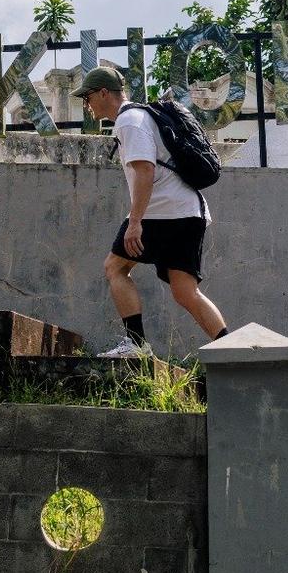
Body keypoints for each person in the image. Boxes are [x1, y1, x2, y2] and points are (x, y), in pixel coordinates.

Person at [79, 67, 229, 356]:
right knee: (185, 292)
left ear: (103, 93)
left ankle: (136, 344)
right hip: (187, 212)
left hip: (162, 212)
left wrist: (135, 222)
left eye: (88, 97)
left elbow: (145, 171)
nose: (87, 104)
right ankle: (232, 350)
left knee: (115, 267)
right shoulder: (140, 116)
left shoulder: (129, 121)